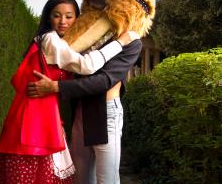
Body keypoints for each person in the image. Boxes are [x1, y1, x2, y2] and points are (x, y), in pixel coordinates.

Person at [0, 0, 138, 184]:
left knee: (49, 174)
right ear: (48, 17)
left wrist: (56, 87)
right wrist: (120, 43)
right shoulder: (50, 40)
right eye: (56, 15)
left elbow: (101, 79)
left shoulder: (65, 42)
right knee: (38, 173)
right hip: (37, 115)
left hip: (47, 113)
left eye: (69, 16)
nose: (63, 21)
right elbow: (86, 66)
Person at [27, 19, 143, 183]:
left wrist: (56, 86)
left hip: (106, 112)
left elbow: (104, 81)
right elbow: (72, 66)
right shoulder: (89, 33)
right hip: (81, 111)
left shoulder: (131, 40)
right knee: (81, 178)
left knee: (107, 179)